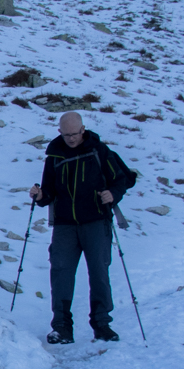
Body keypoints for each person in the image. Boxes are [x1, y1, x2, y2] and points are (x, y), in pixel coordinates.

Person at [29, 112, 131, 345]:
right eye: (66, 134)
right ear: (59, 132)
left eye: (75, 134)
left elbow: (122, 179)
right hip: (65, 224)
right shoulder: (54, 156)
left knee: (98, 272)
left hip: (96, 221)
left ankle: (102, 325)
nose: (71, 138)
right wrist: (40, 195)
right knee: (61, 272)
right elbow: (49, 193)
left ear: (83, 129)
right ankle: (62, 327)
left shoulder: (99, 150)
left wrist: (112, 194)